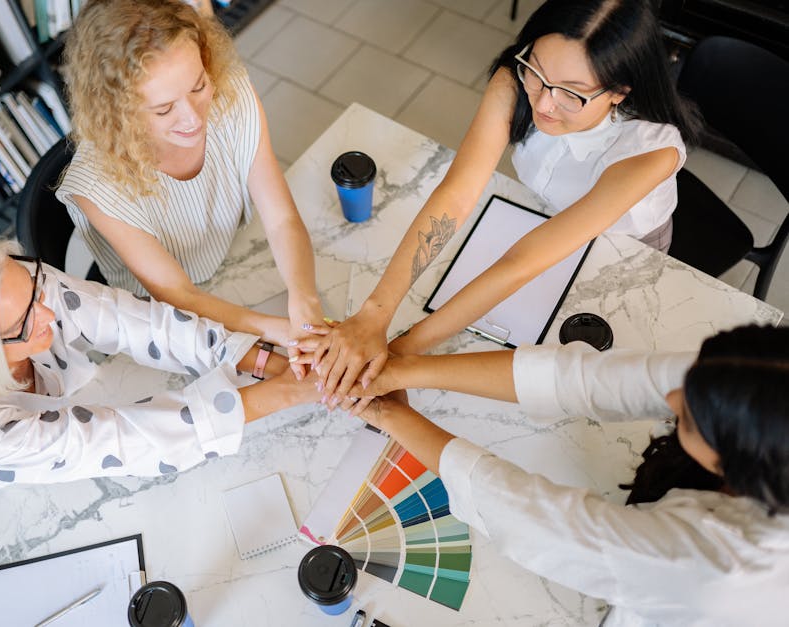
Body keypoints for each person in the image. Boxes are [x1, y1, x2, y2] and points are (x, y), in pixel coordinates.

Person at [310, 0, 702, 406]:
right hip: (537, 216)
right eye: (538, 73)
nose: (543, 104)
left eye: (571, 94)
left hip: (620, 250)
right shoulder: (515, 80)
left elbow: (522, 262)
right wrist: (374, 314)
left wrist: (401, 351)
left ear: (619, 92)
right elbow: (456, 195)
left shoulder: (649, 152)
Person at [345, 325, 789, 626]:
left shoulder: (719, 569)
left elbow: (537, 520)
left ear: (737, 464)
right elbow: (587, 380)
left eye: (689, 418)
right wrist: (402, 372)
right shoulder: (767, 396)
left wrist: (389, 414)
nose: (671, 400)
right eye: (690, 377)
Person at [0, 233, 319, 533]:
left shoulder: (15, 284)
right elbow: (121, 439)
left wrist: (267, 362)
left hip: (64, 452)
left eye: (35, 293)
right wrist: (289, 391)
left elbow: (136, 322)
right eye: (25, 322)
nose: (47, 313)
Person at [56, 0, 328, 378]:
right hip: (164, 316)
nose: (193, 118)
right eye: (164, 109)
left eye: (198, 85)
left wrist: (304, 299)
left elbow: (281, 218)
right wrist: (280, 330)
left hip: (233, 253)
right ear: (118, 111)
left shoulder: (230, 92)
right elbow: (180, 297)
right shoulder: (97, 185)